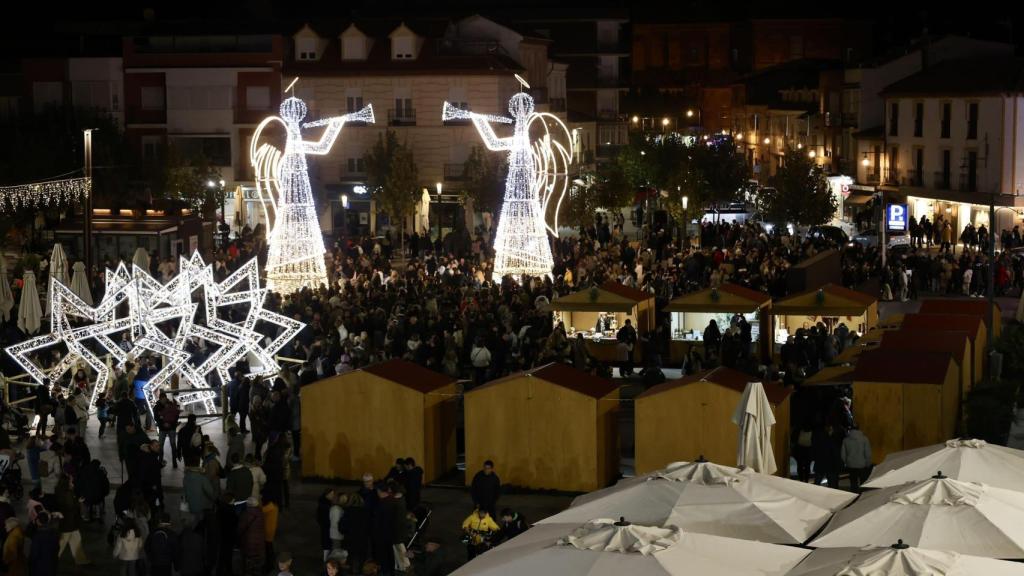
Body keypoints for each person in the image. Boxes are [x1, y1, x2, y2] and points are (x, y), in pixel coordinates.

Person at [54, 474, 90, 567]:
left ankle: (81, 559)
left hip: (68, 522)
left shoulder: (59, 490)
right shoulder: (68, 493)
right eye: (71, 480)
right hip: (70, 522)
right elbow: (70, 506)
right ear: (67, 482)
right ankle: (51, 559)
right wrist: (79, 502)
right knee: (62, 543)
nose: (72, 482)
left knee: (76, 540)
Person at [237, 497, 266, 576]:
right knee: (257, 567)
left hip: (248, 544)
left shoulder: (246, 514)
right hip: (259, 545)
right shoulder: (261, 513)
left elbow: (240, 529)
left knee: (248, 568)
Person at [841, 424, 873, 492]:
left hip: (851, 465)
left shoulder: (845, 440)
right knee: (863, 483)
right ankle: (862, 498)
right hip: (862, 465)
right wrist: (868, 463)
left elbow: (843, 454)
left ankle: (854, 495)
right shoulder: (864, 439)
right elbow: (867, 453)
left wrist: (846, 462)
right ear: (859, 429)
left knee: (853, 483)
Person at [28, 511, 59, 576]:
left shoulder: (37, 537)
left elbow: (34, 554)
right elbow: (57, 548)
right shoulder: (54, 533)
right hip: (51, 566)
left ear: (38, 521)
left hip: (39, 568)